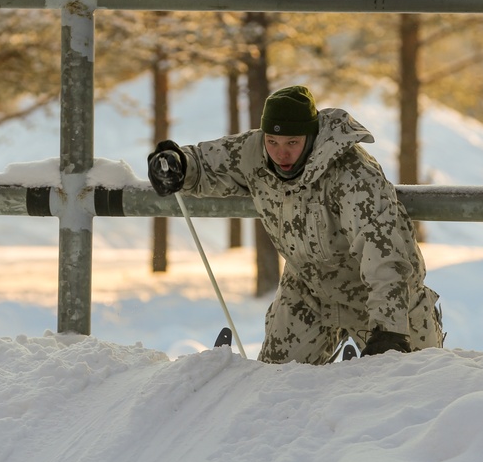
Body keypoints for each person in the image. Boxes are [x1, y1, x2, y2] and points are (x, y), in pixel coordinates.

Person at [147, 84, 444, 364]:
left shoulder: (352, 174)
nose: (281, 153)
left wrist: (389, 330)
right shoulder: (255, 152)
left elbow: (383, 253)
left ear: (311, 137)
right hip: (308, 290)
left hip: (375, 295)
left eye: (292, 142)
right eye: (273, 141)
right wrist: (177, 163)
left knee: (412, 384)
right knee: (276, 382)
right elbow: (207, 162)